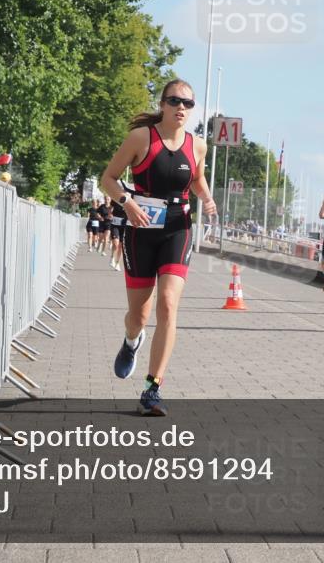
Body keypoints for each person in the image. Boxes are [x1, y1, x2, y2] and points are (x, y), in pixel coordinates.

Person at [100, 80, 216, 416]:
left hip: (178, 228)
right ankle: (131, 340)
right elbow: (108, 178)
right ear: (163, 104)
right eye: (175, 101)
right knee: (139, 315)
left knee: (167, 303)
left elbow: (196, 178)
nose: (181, 108)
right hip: (141, 227)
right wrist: (126, 203)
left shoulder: (198, 145)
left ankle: (152, 388)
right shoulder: (141, 138)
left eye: (188, 103)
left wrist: (207, 199)